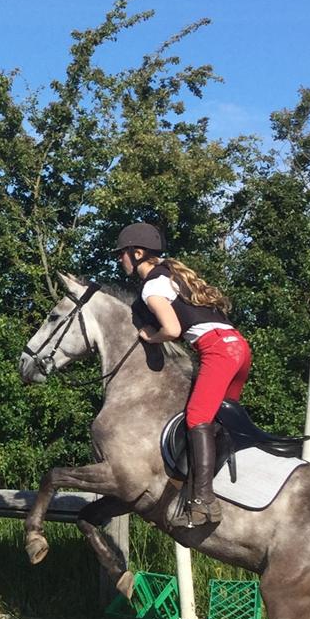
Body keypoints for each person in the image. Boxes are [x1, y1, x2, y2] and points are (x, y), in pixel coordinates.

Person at [113, 222, 251, 526]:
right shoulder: (171, 274)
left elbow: (172, 329)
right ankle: (217, 488)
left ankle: (203, 502)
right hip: (239, 347)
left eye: (122, 253)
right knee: (219, 420)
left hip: (218, 350)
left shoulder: (152, 287)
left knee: (197, 418)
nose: (120, 259)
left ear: (137, 253)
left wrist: (152, 337)